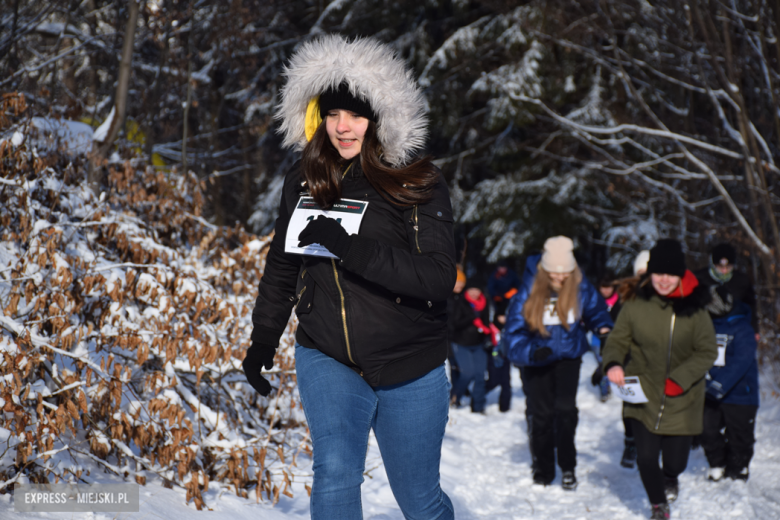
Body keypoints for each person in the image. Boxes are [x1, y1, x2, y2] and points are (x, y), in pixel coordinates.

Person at [243, 35, 455, 519]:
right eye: (333, 113)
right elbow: (283, 263)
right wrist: (263, 341)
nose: (342, 127)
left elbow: (438, 277)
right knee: (335, 472)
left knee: (420, 501)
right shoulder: (304, 179)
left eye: (356, 115)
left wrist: (349, 248)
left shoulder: (417, 181)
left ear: (380, 119)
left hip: (410, 365)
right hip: (328, 356)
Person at [603, 239, 717, 520]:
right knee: (645, 457)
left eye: (670, 274)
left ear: (680, 274)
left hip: (683, 397)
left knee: (675, 463)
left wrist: (680, 378)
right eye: (658, 273)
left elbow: (707, 351)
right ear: (649, 273)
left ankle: (670, 477)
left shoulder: (695, 309)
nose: (664, 280)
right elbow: (617, 341)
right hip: (644, 393)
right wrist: (614, 363)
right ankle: (658, 506)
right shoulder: (634, 305)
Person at [504, 236, 613, 490]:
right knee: (541, 416)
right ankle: (543, 467)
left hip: (568, 358)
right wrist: (532, 351)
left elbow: (597, 311)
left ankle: (568, 466)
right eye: (555, 273)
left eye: (566, 273)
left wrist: (604, 328)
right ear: (544, 269)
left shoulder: (580, 285)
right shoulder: (528, 291)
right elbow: (511, 338)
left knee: (566, 412)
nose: (560, 278)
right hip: (537, 361)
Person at [701, 285, 759, 482]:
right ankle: (717, 462)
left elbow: (741, 360)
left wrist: (719, 385)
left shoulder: (743, 327)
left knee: (739, 434)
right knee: (707, 429)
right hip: (709, 390)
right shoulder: (705, 325)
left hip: (741, 393)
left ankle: (739, 466)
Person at [448, 273, 495, 413]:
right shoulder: (460, 301)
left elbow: (487, 322)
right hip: (461, 343)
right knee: (467, 373)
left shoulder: (484, 302)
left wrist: (487, 336)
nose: (475, 293)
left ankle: (478, 407)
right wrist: (471, 317)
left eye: (477, 289)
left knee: (481, 375)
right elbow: (455, 323)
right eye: (472, 289)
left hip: (479, 343)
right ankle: (455, 398)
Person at [695, 242, 759, 338]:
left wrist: (754, 329)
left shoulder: (742, 280)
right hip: (704, 328)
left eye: (728, 267)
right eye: (720, 267)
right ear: (713, 264)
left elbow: (750, 306)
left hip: (733, 329)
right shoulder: (698, 278)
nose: (724, 271)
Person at [485, 262, 520, 412]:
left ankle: (504, 407)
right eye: (500, 267)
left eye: (504, 267)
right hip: (497, 305)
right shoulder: (494, 277)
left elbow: (518, 286)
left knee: (506, 380)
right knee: (493, 379)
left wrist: (510, 293)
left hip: (509, 303)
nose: (502, 270)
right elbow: (490, 288)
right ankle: (479, 395)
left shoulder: (512, 276)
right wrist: (497, 297)